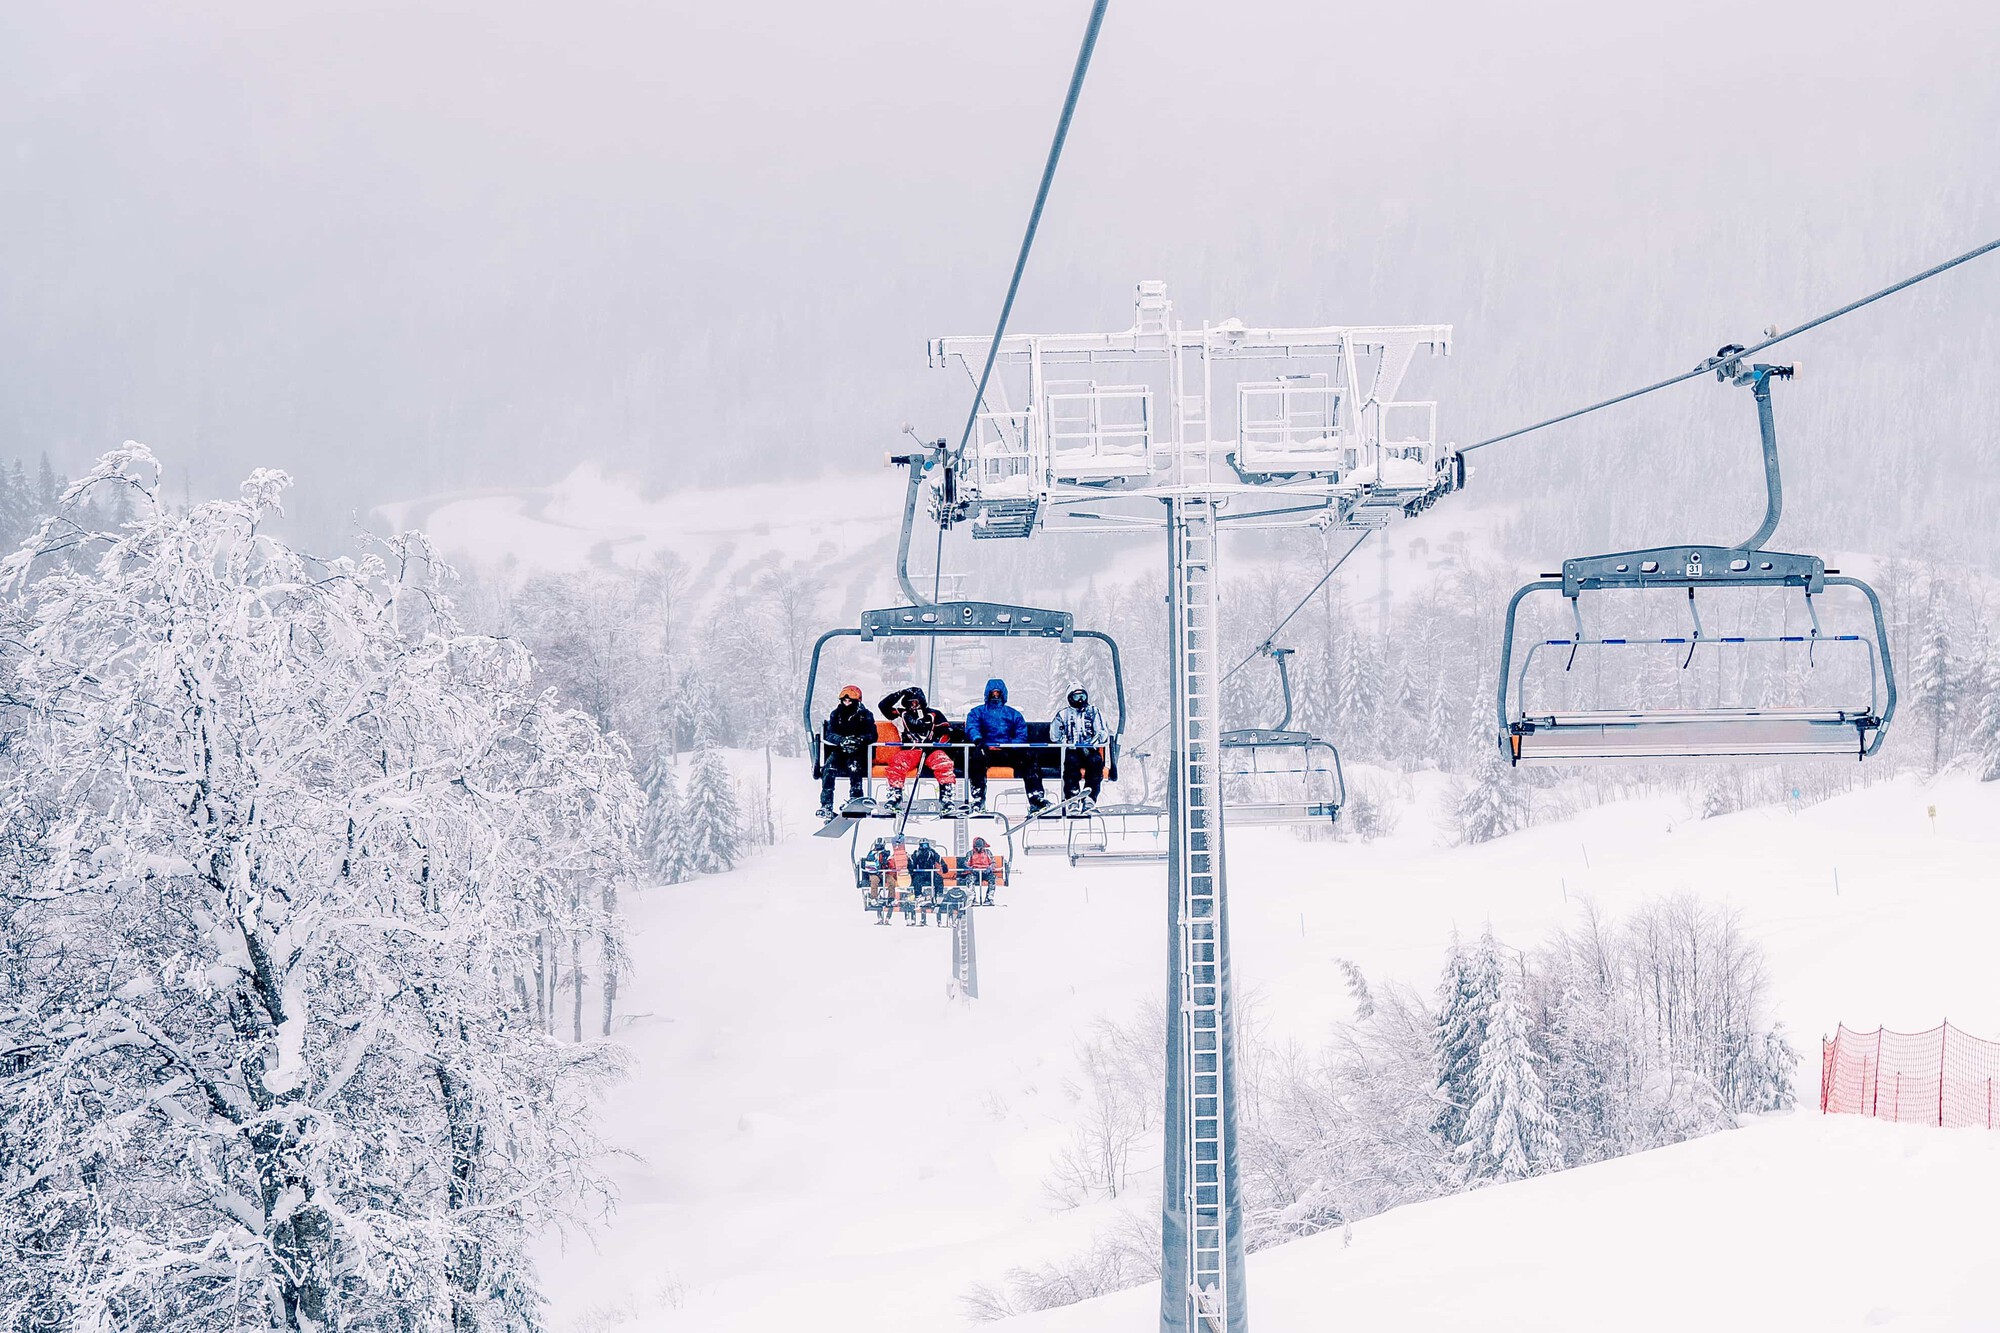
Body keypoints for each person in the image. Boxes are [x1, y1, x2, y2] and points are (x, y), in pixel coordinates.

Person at [964, 677, 1049, 812]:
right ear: (988, 694)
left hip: (1008, 751)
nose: (995, 696)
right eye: (993, 693)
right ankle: (978, 798)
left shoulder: (1013, 714)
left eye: (998, 693)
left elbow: (1021, 733)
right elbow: (972, 726)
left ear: (1003, 694)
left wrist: (1009, 746)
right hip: (986, 750)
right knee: (976, 759)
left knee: (1029, 758)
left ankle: (1036, 798)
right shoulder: (978, 712)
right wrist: (979, 741)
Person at [876, 685, 960, 811]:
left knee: (944, 762)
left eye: (916, 702)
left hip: (931, 750)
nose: (914, 706)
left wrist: (935, 742)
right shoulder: (901, 715)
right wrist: (900, 693)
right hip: (911, 751)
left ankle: (946, 796)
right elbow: (883, 706)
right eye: (910, 703)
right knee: (898, 762)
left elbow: (945, 732)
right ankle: (895, 795)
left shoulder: (934, 714)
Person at [817, 685, 878, 820]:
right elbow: (829, 733)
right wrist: (842, 740)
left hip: (859, 751)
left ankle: (855, 797)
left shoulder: (865, 715)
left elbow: (872, 735)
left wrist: (858, 740)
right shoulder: (836, 714)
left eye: (850, 701)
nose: (847, 703)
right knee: (829, 766)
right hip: (840, 750)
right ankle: (826, 804)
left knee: (854, 765)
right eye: (844, 701)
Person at [1053, 686, 1111, 809]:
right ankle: (1072, 797)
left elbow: (1102, 731)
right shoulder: (1063, 715)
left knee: (1095, 762)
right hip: (1071, 749)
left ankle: (1090, 797)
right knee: (1070, 765)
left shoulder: (1093, 712)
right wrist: (1064, 741)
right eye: (1076, 696)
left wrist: (1097, 738)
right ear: (1070, 698)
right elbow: (1054, 735)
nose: (1080, 700)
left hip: (1089, 748)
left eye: (1082, 696)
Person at [908, 839, 947, 925]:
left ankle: (938, 894)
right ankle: (918, 896)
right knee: (916, 880)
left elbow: (939, 858)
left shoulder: (932, 852)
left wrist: (944, 865)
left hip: (930, 872)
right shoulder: (917, 853)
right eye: (923, 845)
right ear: (920, 845)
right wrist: (911, 869)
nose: (925, 847)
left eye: (926, 845)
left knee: (938, 879)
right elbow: (911, 860)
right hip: (920, 872)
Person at [964, 836, 1001, 905]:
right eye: (977, 847)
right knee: (969, 879)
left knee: (992, 878)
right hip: (975, 872)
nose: (978, 849)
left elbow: (993, 862)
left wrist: (990, 868)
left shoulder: (987, 852)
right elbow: (966, 863)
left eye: (980, 847)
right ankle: (972, 898)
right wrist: (971, 869)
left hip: (985, 872)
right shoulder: (970, 853)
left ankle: (989, 898)